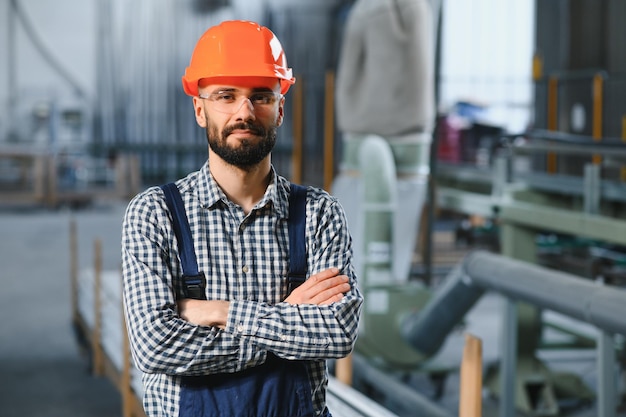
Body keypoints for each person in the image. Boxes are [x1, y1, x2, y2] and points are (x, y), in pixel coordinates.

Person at [121, 20, 363, 417]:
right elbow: (156, 346)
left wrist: (220, 312)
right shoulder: (155, 213)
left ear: (280, 109)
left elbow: (336, 333)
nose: (245, 112)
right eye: (225, 96)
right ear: (200, 109)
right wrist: (286, 320)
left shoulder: (319, 214)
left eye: (261, 97)